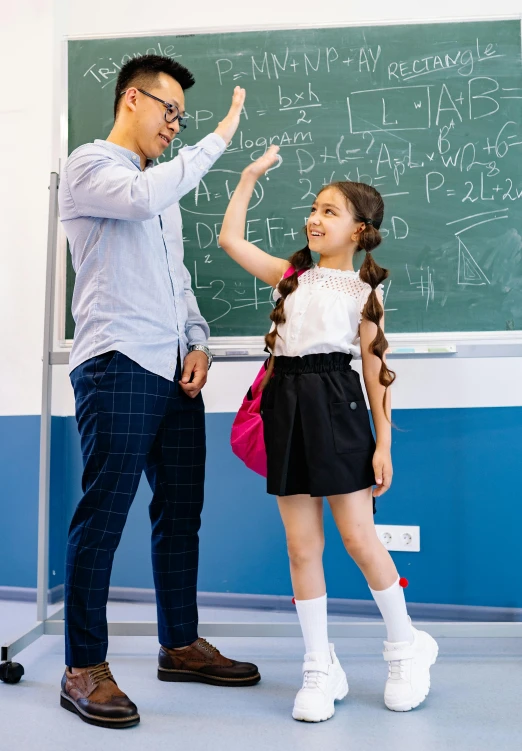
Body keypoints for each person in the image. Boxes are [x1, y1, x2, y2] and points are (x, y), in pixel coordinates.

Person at [58, 58, 259, 729]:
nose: (177, 125)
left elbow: (176, 283)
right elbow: (142, 200)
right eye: (169, 111)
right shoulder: (91, 166)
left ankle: (179, 641)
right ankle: (83, 665)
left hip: (173, 371)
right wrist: (221, 136)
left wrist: (199, 341)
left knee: (182, 512)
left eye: (185, 117)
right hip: (116, 362)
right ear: (131, 99)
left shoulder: (159, 192)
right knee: (104, 514)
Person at [219, 144, 438, 722]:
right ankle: (320, 665)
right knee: (300, 546)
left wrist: (384, 443)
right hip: (285, 408)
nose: (315, 218)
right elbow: (230, 242)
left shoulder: (365, 295)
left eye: (330, 211)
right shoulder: (292, 276)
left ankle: (405, 648)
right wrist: (247, 177)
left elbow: (374, 374)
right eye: (313, 208)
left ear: (360, 230)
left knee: (361, 540)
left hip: (337, 409)